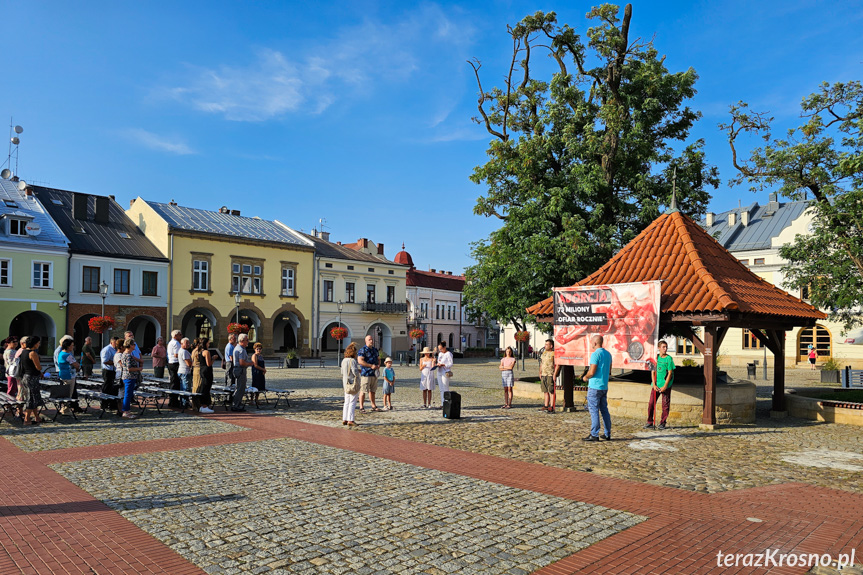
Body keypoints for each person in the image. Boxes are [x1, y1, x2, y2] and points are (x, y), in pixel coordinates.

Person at [581, 335, 612, 442]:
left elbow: (592, 371)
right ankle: (607, 433)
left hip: (594, 386)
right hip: (604, 385)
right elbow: (609, 371)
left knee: (594, 410)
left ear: (594, 343)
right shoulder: (608, 354)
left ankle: (594, 434)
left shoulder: (595, 354)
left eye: (591, 342)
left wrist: (585, 377)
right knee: (604, 410)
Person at [645, 340, 674, 430]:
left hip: (665, 386)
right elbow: (653, 372)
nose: (665, 349)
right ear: (659, 348)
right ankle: (649, 421)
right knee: (651, 403)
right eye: (663, 347)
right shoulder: (656, 358)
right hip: (656, 385)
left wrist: (665, 386)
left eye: (666, 347)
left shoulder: (669, 359)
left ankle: (662, 423)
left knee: (665, 405)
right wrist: (654, 384)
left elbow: (670, 373)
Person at [20, 336, 45, 425]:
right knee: (31, 398)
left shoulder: (23, 352)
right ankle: (27, 419)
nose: (39, 344)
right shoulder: (32, 353)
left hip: (26, 376)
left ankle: (37, 417)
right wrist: (40, 368)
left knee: (33, 397)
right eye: (38, 343)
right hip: (32, 377)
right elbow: (38, 367)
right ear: (34, 344)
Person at [119, 338, 142, 419]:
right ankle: (126, 412)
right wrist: (138, 369)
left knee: (128, 394)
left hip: (126, 376)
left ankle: (126, 411)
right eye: (134, 344)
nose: (135, 346)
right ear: (131, 345)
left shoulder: (124, 354)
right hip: (129, 376)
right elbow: (129, 368)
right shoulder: (128, 356)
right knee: (127, 395)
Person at [357, 335, 381, 413]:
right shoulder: (362, 350)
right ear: (366, 341)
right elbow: (360, 361)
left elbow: (378, 358)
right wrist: (370, 366)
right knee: (363, 390)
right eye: (369, 339)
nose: (371, 341)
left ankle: (373, 405)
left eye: (372, 339)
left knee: (373, 390)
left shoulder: (375, 350)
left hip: (374, 374)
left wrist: (378, 365)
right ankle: (361, 407)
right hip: (366, 373)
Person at [57, 339, 81, 415]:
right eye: (72, 345)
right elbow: (76, 364)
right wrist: (78, 368)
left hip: (63, 374)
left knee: (64, 391)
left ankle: (63, 408)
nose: (73, 347)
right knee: (69, 393)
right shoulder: (68, 355)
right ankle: (66, 409)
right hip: (69, 375)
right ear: (67, 346)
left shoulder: (61, 353)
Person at [191, 338, 215, 414]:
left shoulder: (199, 351)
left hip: (201, 369)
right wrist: (213, 359)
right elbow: (209, 364)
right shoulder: (206, 352)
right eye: (208, 343)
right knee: (206, 387)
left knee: (204, 386)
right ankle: (204, 405)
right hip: (206, 370)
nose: (209, 344)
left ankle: (202, 405)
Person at [231, 334, 253, 412]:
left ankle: (236, 404)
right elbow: (242, 363)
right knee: (240, 388)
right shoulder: (241, 350)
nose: (248, 342)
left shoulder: (238, 348)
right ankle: (236, 405)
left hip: (237, 370)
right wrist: (250, 363)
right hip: (240, 370)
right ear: (242, 341)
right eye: (247, 340)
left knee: (238, 387)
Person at [341, 342, 361, 426]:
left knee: (346, 402)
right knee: (352, 401)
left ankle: (344, 418)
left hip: (345, 383)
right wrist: (359, 372)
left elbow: (342, 372)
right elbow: (355, 372)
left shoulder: (343, 361)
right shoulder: (352, 361)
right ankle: (351, 420)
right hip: (352, 383)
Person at [539, 339, 560, 414]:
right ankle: (546, 405)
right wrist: (540, 372)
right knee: (545, 390)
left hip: (550, 374)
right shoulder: (543, 353)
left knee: (551, 390)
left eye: (547, 344)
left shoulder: (553, 353)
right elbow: (542, 363)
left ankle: (552, 406)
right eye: (545, 344)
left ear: (551, 346)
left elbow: (557, 364)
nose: (545, 346)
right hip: (544, 374)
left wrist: (555, 374)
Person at [100, 336, 120, 410]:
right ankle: (104, 403)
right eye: (115, 342)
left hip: (114, 370)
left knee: (113, 388)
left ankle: (112, 403)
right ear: (111, 342)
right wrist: (115, 362)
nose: (116, 344)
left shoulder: (116, 349)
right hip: (107, 370)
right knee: (106, 387)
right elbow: (105, 361)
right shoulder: (107, 349)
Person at [166, 330, 183, 408]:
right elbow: (176, 354)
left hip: (171, 362)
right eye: (180, 335)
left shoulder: (170, 342)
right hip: (175, 363)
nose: (181, 336)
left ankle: (172, 400)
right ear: (175, 335)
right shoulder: (176, 343)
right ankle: (174, 401)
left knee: (173, 381)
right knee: (175, 382)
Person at [435, 341, 453, 408]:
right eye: (439, 349)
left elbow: (451, 364)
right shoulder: (440, 354)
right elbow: (439, 361)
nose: (440, 350)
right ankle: (443, 403)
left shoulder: (448, 354)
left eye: (441, 349)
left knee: (445, 387)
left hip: (445, 372)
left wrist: (443, 364)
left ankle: (447, 402)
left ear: (444, 347)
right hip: (439, 371)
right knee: (441, 388)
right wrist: (438, 364)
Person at [177, 338, 193, 407]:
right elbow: (188, 363)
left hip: (181, 371)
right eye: (186, 343)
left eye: (189, 343)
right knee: (185, 388)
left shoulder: (182, 350)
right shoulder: (184, 351)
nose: (188, 344)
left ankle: (183, 402)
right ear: (182, 343)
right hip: (185, 371)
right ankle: (185, 403)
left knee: (182, 387)